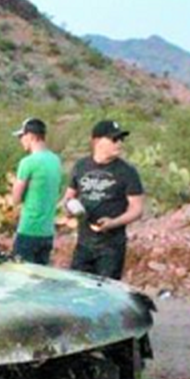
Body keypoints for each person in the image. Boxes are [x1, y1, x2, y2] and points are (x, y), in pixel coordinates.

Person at [63, 120, 144, 280]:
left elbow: (137, 209)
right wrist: (70, 208)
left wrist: (114, 223)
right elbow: (68, 196)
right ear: (96, 141)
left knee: (106, 295)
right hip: (83, 244)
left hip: (111, 248)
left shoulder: (127, 171)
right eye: (114, 139)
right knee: (76, 292)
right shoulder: (81, 166)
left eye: (121, 139)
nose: (119, 143)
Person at [11, 118, 62, 265]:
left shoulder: (28, 163)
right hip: (47, 232)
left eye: (22, 137)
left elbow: (16, 198)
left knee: (21, 277)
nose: (21, 141)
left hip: (28, 229)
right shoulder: (55, 160)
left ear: (31, 136)